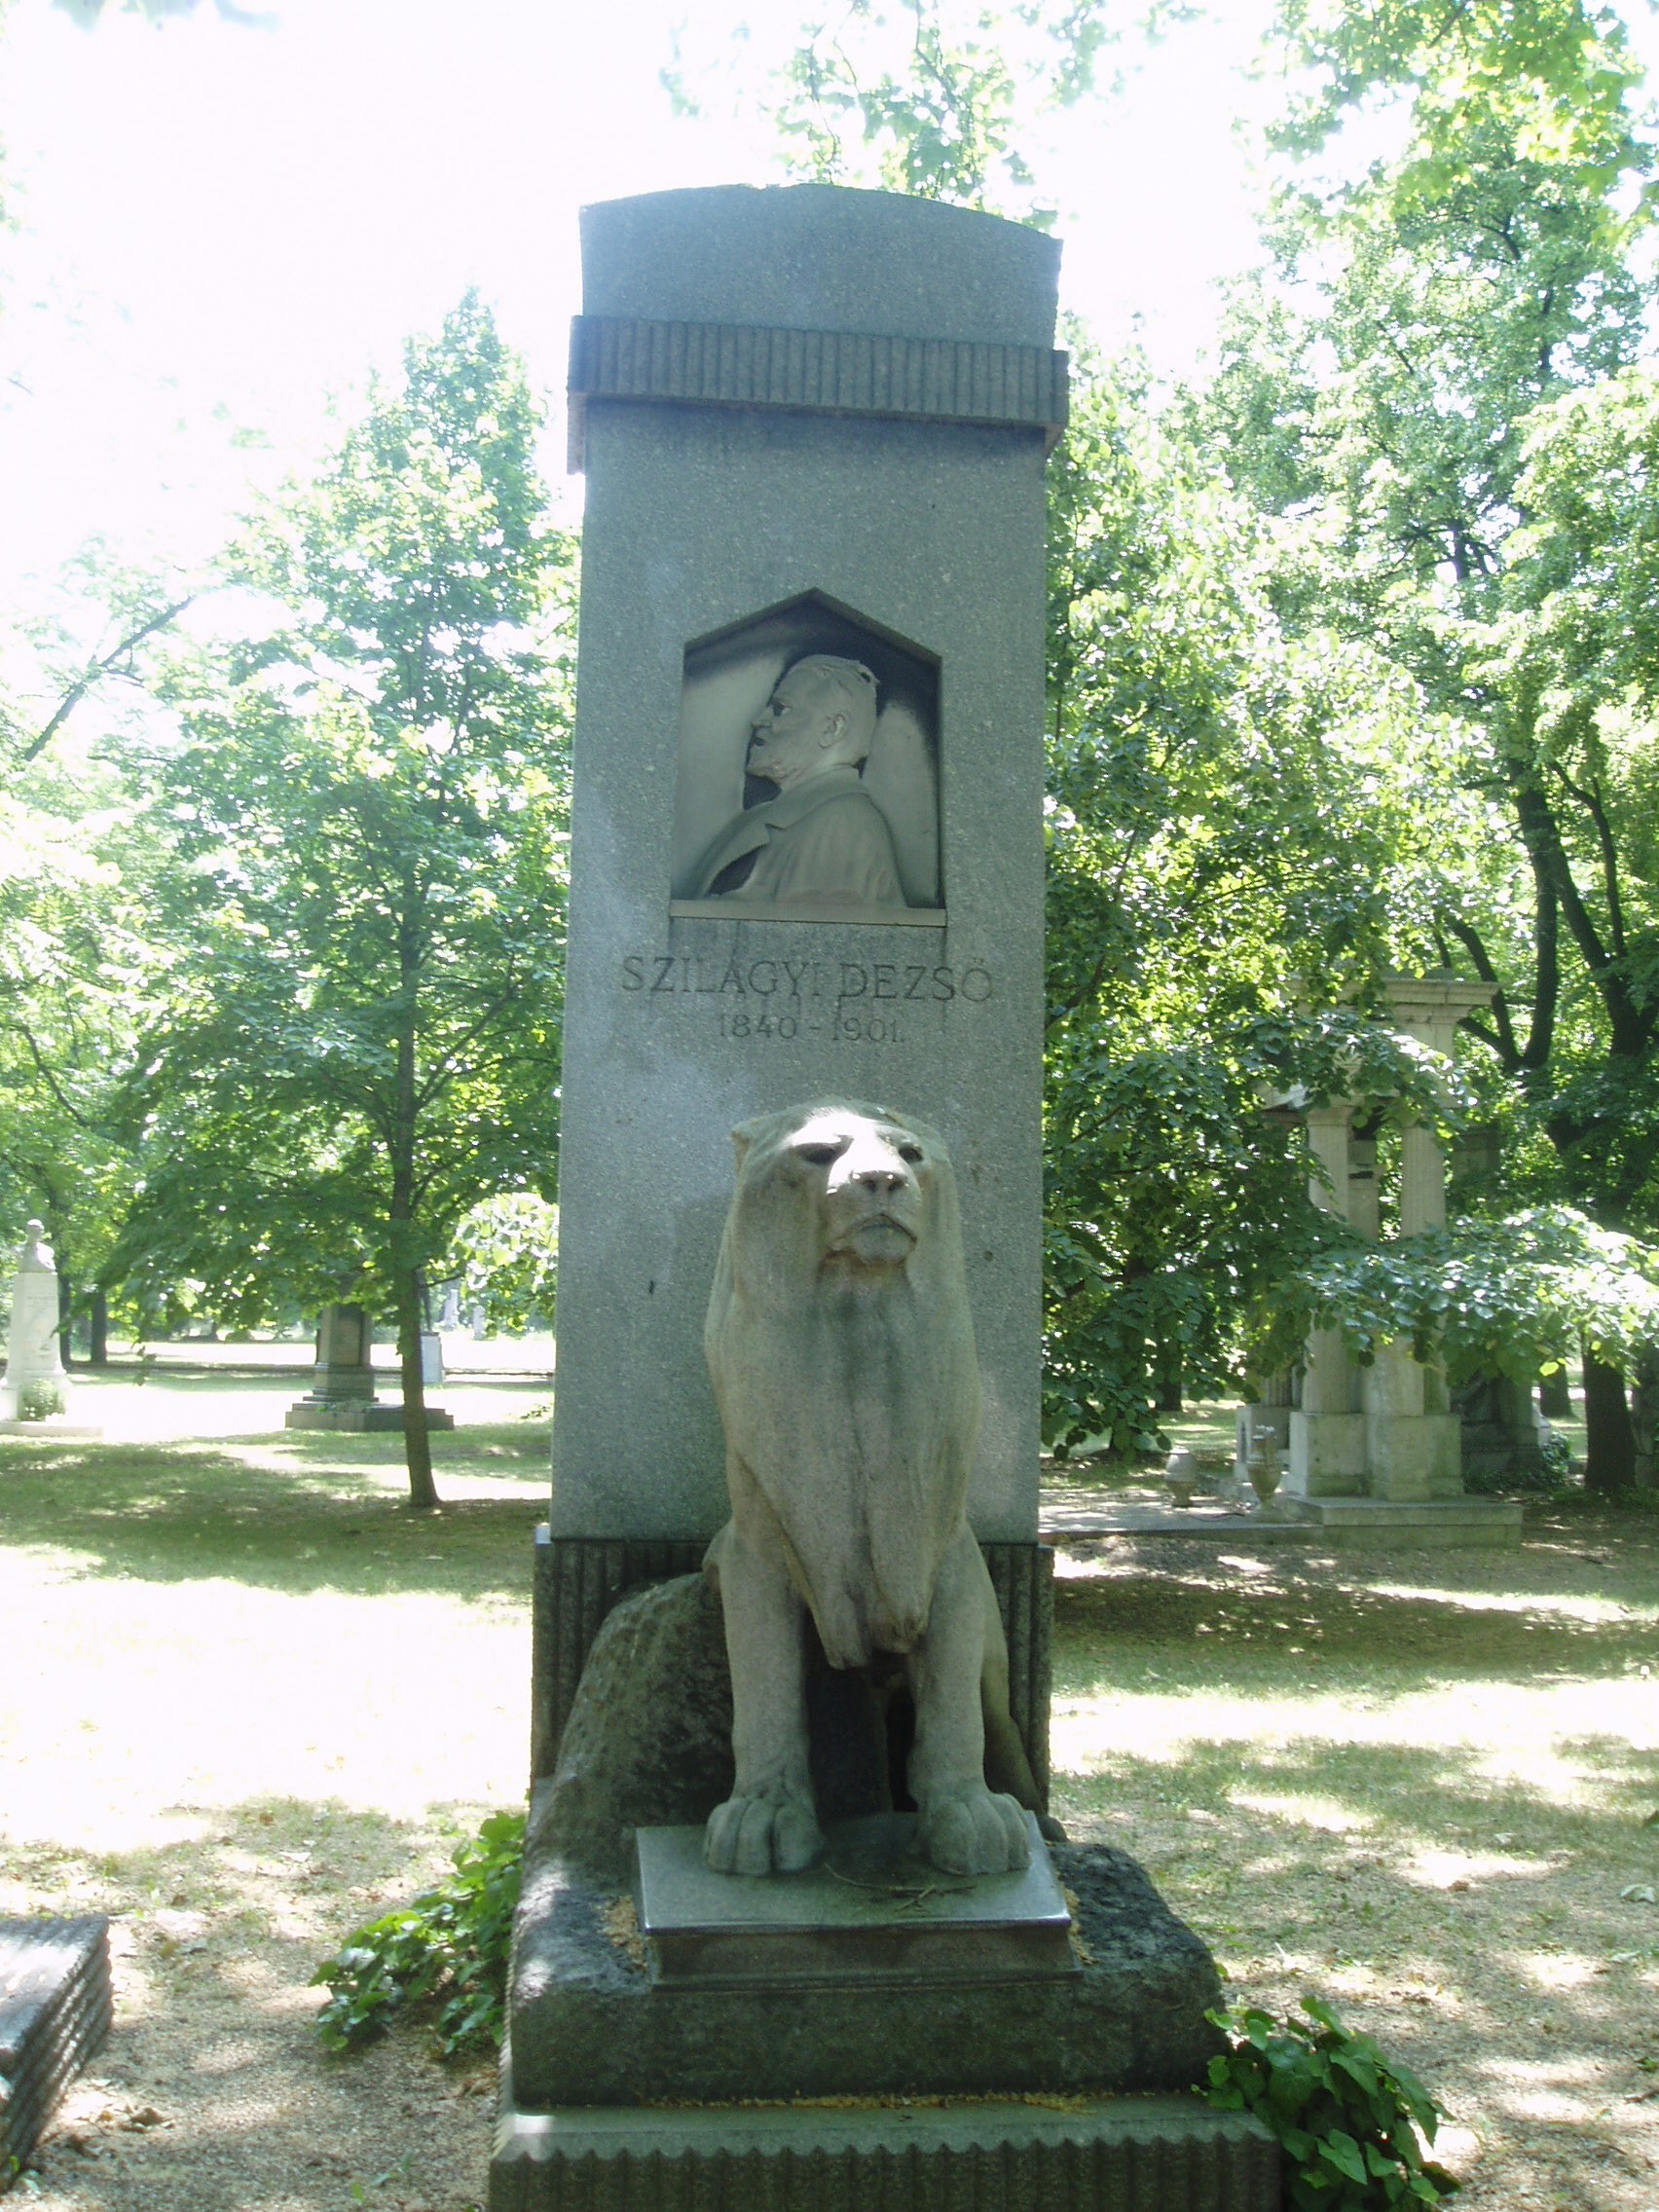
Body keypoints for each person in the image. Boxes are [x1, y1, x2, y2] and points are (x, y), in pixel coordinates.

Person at [691, 655, 905, 907]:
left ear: (832, 729)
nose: (759, 720)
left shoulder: (845, 824)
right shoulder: (762, 817)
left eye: (781, 709)